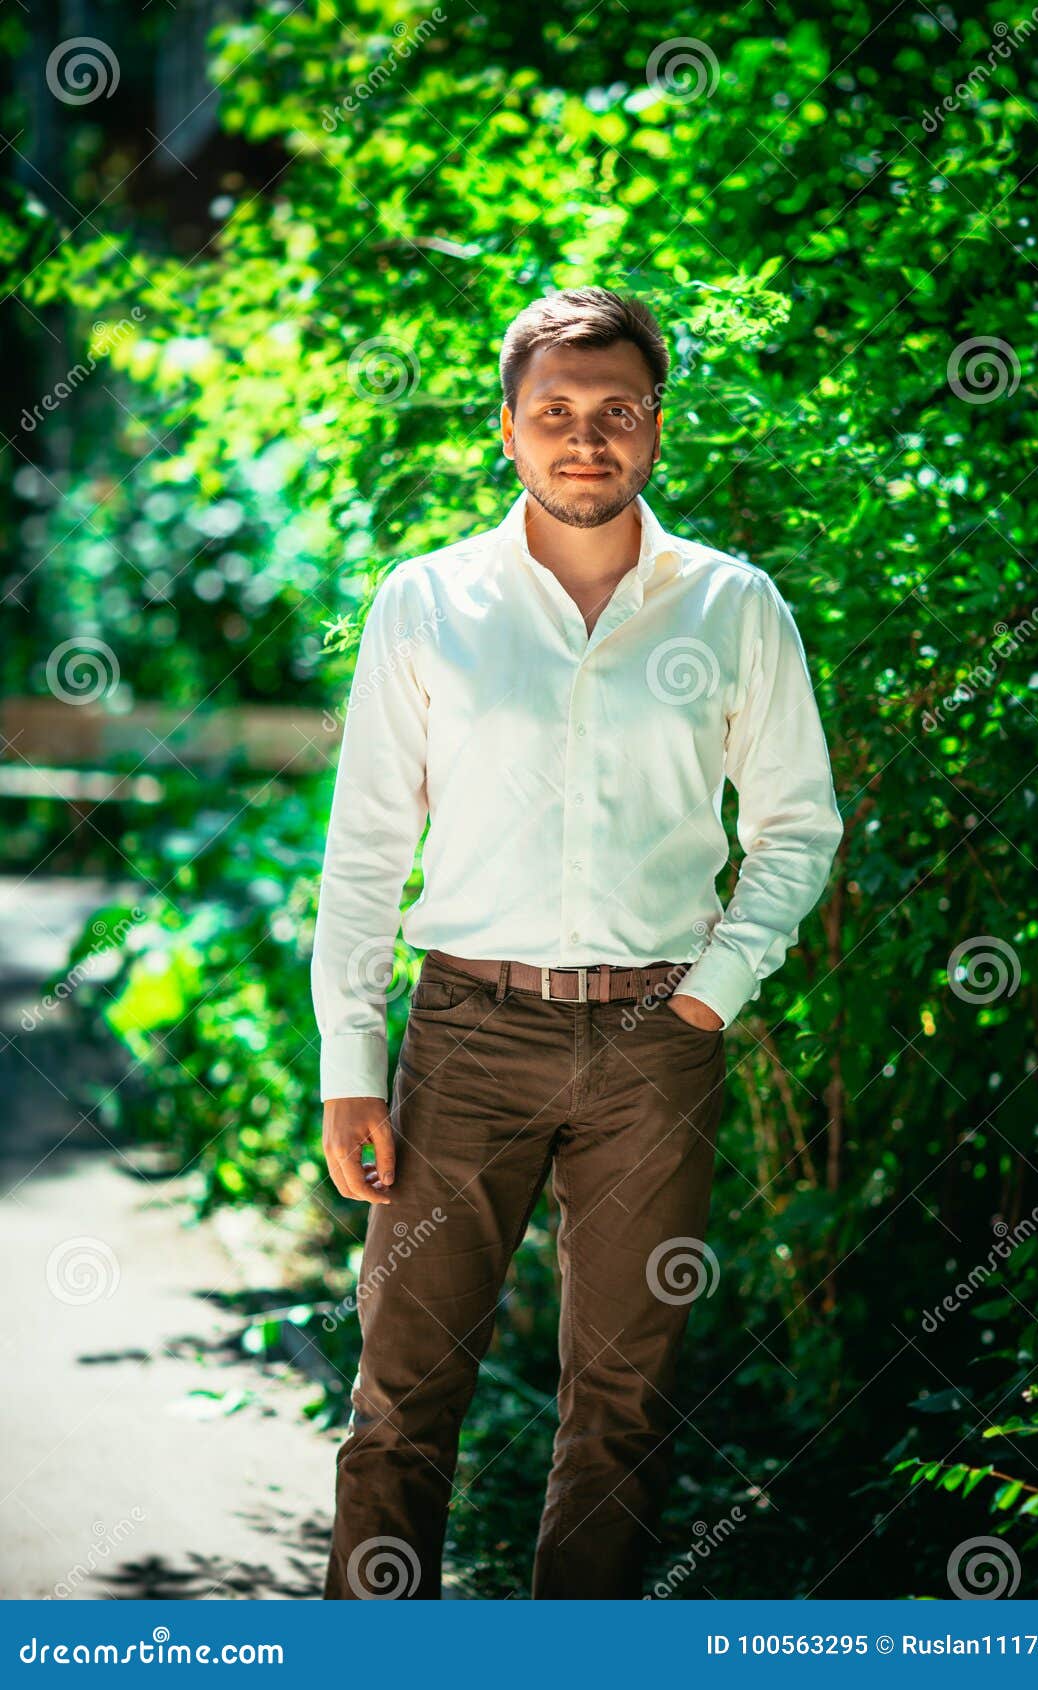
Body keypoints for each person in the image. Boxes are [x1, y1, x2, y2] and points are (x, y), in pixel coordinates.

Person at [311, 286, 844, 1600]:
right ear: (508, 429)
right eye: (556, 412)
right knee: (402, 1399)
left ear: (656, 426)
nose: (586, 438)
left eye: (616, 412)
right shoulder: (426, 603)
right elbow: (367, 848)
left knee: (621, 1409)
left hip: (657, 1045)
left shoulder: (732, 606)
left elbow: (797, 826)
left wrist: (711, 998)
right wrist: (350, 1063)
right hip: (467, 1037)